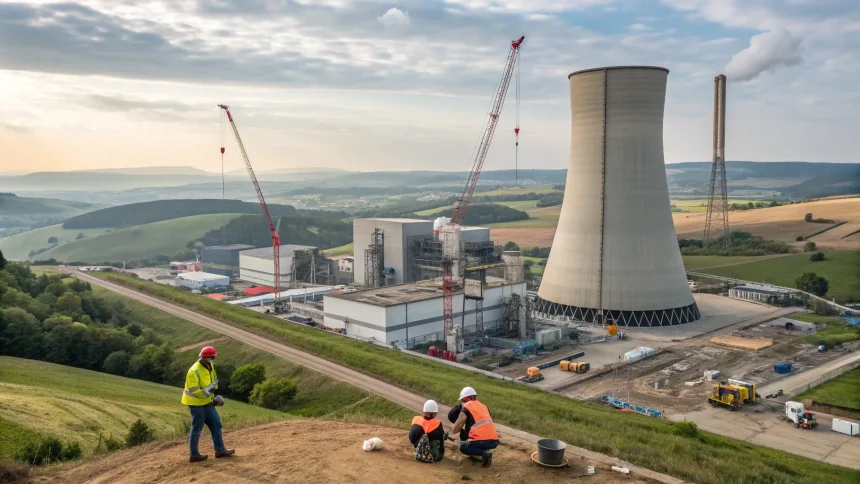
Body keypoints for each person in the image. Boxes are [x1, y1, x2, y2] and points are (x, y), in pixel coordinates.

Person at [181, 346, 235, 462]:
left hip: (207, 403)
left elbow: (214, 381)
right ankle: (194, 455)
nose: (208, 360)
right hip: (196, 404)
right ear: (202, 357)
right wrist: (209, 397)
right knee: (197, 429)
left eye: (210, 358)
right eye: (205, 358)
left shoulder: (210, 366)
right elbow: (194, 390)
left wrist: (216, 396)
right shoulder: (193, 371)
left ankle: (220, 450)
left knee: (216, 424)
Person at [449, 386, 498, 468]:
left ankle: (483, 454)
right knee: (475, 439)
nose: (462, 403)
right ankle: (483, 451)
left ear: (466, 399)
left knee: (463, 447)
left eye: (462, 401)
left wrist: (459, 428)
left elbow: (454, 430)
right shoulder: (484, 406)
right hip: (494, 441)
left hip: (481, 441)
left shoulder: (466, 408)